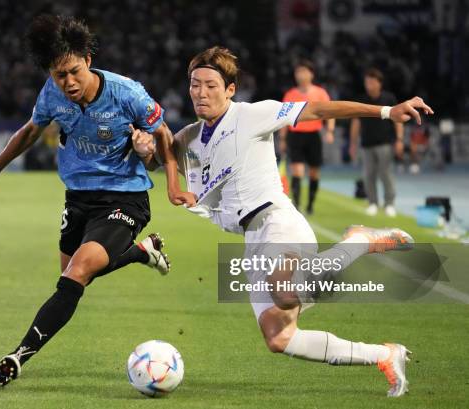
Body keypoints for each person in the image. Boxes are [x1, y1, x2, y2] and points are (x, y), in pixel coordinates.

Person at [157, 46, 432, 397]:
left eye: (210, 84)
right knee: (279, 336)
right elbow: (161, 152)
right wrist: (145, 148)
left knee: (285, 292)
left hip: (277, 221)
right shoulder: (190, 137)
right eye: (195, 84)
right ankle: (384, 354)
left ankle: (360, 240)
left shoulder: (254, 115)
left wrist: (385, 111)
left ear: (229, 89)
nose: (200, 92)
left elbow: (318, 109)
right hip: (252, 238)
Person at [0, 14, 194, 387]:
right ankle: (140, 252)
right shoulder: (51, 93)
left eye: (73, 71)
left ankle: (18, 356)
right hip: (78, 198)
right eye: (59, 75)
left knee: (76, 274)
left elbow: (163, 134)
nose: (68, 82)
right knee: (72, 276)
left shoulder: (127, 93)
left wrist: (170, 185)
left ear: (88, 59)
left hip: (126, 197)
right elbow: (30, 131)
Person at [278, 60, 335, 215]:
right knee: (297, 171)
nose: (301, 75)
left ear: (311, 74)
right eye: (298, 72)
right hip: (295, 136)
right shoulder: (290, 94)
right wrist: (282, 138)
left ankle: (310, 204)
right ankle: (296, 206)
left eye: (304, 71)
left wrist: (330, 130)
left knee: (314, 172)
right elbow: (283, 117)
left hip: (313, 136)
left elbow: (330, 112)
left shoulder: (320, 93)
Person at [350, 68, 404, 217]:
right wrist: (353, 143)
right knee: (368, 175)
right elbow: (356, 122)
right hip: (366, 144)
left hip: (385, 143)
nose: (369, 85)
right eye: (367, 82)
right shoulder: (361, 99)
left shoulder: (389, 99)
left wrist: (399, 139)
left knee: (386, 174)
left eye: (372, 82)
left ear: (380, 83)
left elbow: (398, 121)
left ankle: (389, 204)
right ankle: (372, 202)